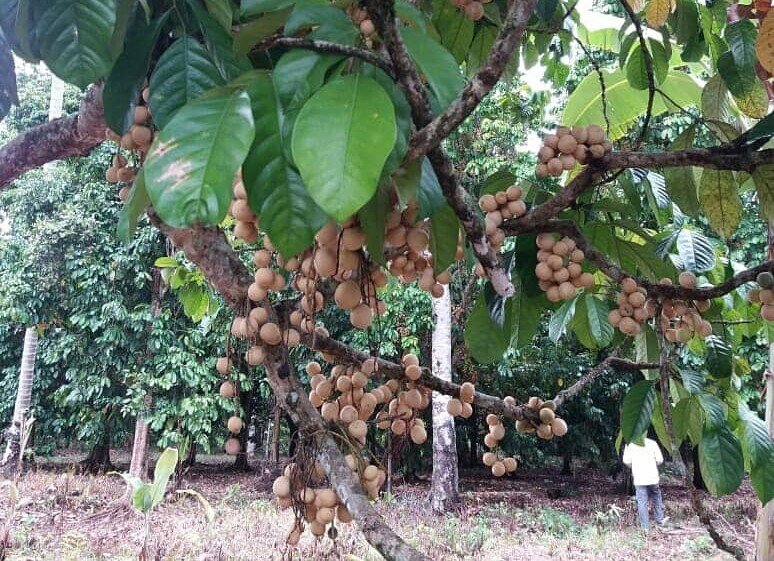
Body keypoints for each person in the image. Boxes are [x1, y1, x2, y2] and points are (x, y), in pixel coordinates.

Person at [622, 435, 669, 530]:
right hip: (652, 476)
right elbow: (660, 460)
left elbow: (626, 461)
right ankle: (659, 519)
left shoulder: (630, 444)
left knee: (642, 501)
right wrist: (652, 464)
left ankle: (645, 527)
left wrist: (634, 466)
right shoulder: (652, 443)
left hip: (639, 477)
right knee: (656, 496)